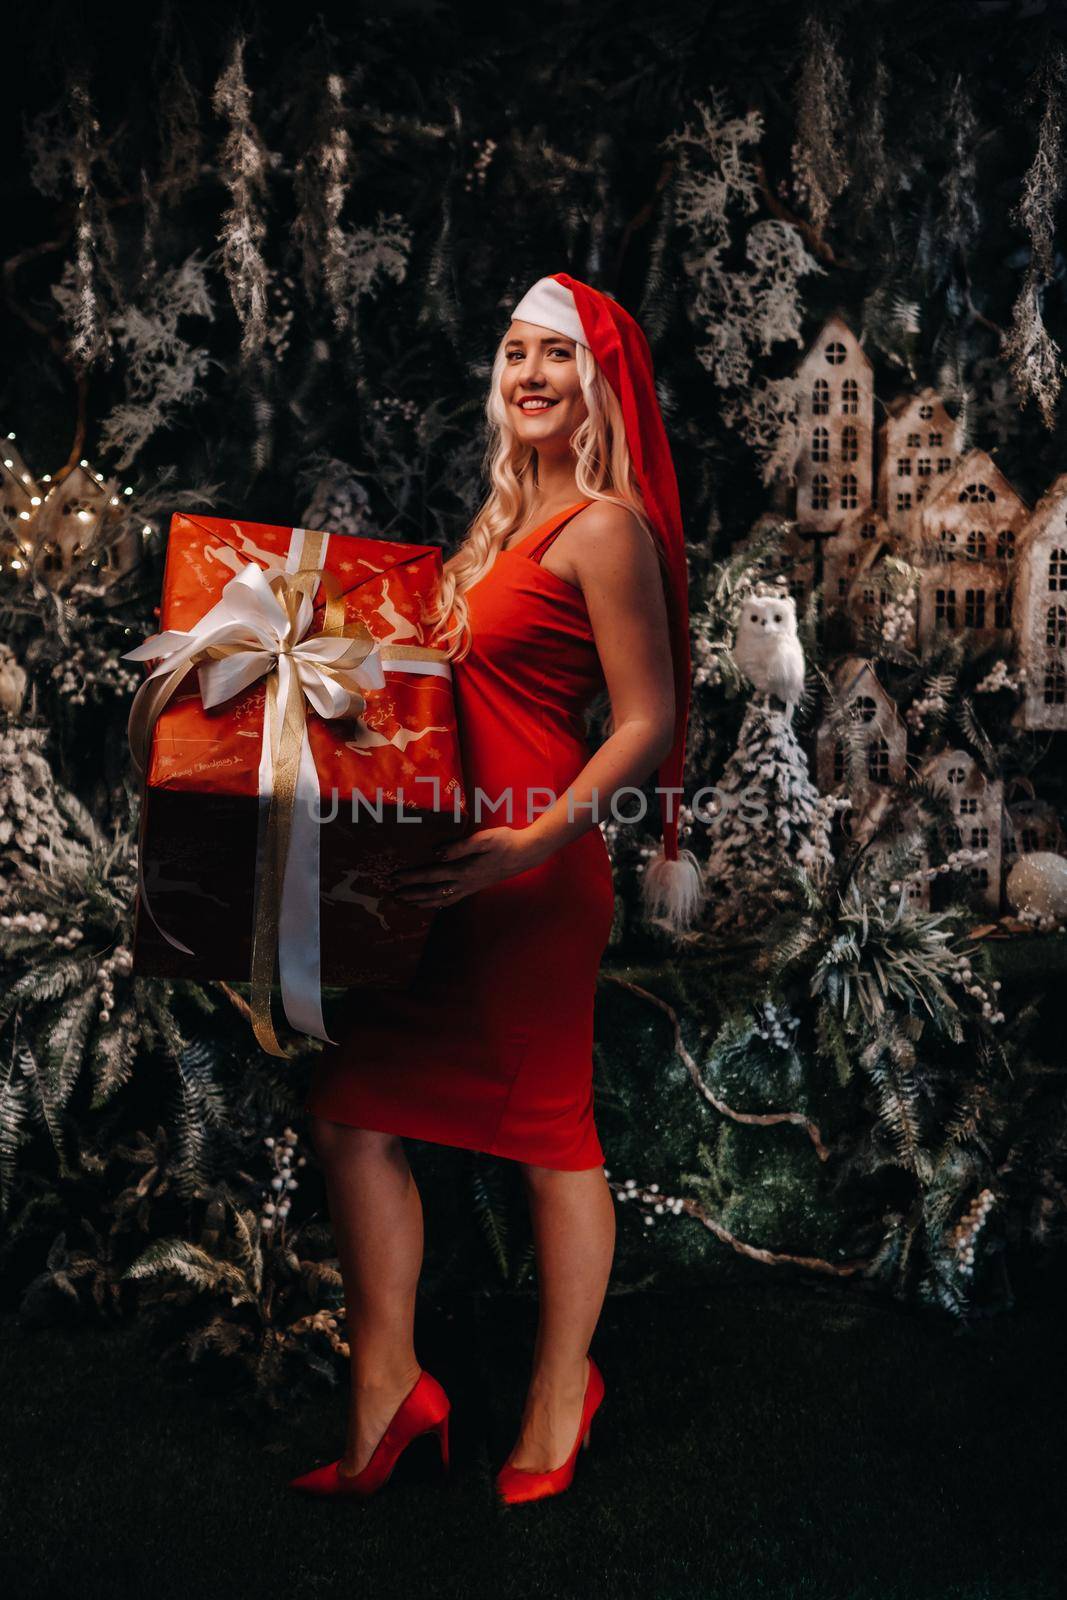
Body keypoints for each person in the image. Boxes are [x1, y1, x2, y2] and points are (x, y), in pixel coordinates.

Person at [290, 273, 702, 1506]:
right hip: (439, 875)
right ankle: (389, 1388)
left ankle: (556, 1389)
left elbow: (647, 718)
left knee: (547, 1142)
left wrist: (533, 840)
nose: (528, 375)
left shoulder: (604, 528)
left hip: (531, 879)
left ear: (598, 384)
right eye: (513, 353)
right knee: (352, 1112)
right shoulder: (492, 524)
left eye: (554, 358)